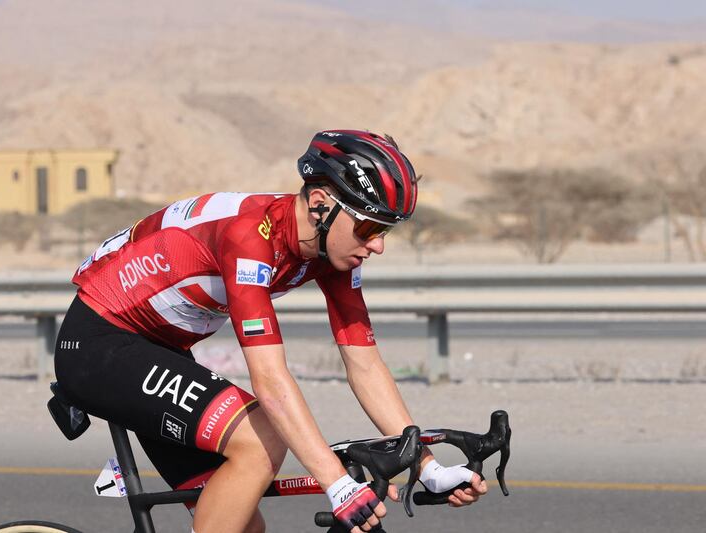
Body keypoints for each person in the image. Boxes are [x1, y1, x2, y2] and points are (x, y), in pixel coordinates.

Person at [54, 130, 487, 533]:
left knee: (243, 525)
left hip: (162, 350)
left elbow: (365, 364)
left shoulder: (329, 250)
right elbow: (270, 380)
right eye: (369, 227)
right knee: (260, 440)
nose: (378, 245)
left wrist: (428, 470)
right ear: (320, 203)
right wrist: (338, 485)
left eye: (386, 229)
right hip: (99, 345)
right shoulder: (249, 238)